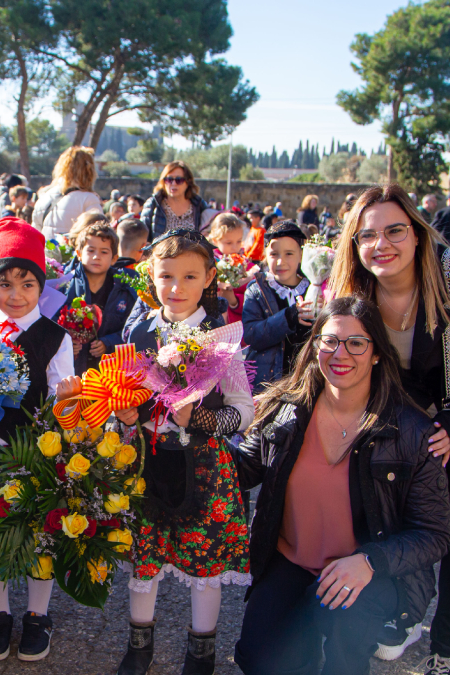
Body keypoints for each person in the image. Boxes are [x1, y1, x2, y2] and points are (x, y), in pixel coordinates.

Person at [329, 184, 450, 674]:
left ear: (417, 233)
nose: (381, 244)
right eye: (367, 235)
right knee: (397, 522)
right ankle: (407, 612)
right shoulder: (356, 291)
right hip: (411, 418)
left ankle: (448, 650)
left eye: (395, 230)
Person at [234, 296, 450, 675]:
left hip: (369, 571)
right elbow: (236, 471)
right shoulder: (285, 410)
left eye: (356, 343)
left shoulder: (411, 431)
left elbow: (435, 533)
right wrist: (186, 427)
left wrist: (370, 562)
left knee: (340, 640)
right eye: (330, 340)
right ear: (316, 344)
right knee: (258, 659)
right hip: (291, 561)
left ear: (377, 354)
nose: (340, 353)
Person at [110, 228, 252, 675]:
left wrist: (202, 420)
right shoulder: (139, 329)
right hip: (147, 461)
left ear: (209, 277)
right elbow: (125, 392)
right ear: (150, 275)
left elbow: (244, 411)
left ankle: (201, 653)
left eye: (190, 277)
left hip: (205, 466)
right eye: (166, 275)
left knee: (204, 561)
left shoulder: (220, 336)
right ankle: (139, 645)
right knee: (144, 557)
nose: (176, 288)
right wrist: (125, 416)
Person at [0, 216, 79, 662]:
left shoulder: (54, 336)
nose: (16, 294)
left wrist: (66, 403)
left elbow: (65, 402)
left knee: (39, 534)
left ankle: (38, 616)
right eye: (4, 283)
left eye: (27, 283)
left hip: (37, 453)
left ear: (40, 287)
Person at [242, 220, 312, 393]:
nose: (281, 262)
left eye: (289, 253)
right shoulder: (257, 289)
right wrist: (289, 316)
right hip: (268, 381)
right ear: (266, 255)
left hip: (305, 378)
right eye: (274, 254)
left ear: (301, 255)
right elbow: (251, 335)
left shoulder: (313, 288)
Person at [58, 222, 136, 373]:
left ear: (114, 259)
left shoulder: (125, 289)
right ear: (79, 254)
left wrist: (109, 343)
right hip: (73, 370)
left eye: (104, 252)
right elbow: (52, 321)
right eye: (91, 250)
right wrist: (65, 343)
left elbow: (132, 327)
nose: (96, 257)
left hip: (111, 371)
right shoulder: (66, 286)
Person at [33, 147, 103, 236]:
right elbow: (100, 234)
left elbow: (34, 236)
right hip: (73, 249)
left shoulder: (45, 197)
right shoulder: (89, 199)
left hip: (46, 249)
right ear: (89, 170)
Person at [139, 160, 216, 239]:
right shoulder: (153, 204)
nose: (173, 184)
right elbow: (142, 237)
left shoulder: (199, 205)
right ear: (163, 182)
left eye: (179, 180)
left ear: (188, 182)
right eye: (169, 180)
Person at [206, 213, 249, 324]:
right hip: (213, 317)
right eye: (229, 242)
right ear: (215, 240)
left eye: (239, 241)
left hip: (238, 320)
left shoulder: (244, 263)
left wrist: (235, 301)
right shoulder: (209, 261)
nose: (235, 247)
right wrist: (219, 286)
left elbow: (251, 296)